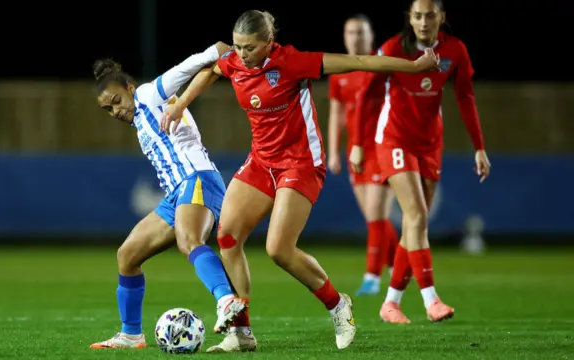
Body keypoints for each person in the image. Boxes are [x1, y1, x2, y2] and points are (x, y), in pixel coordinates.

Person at [162, 10, 440, 352]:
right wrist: (180, 105)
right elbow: (211, 70)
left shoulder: (292, 62)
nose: (241, 54)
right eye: (237, 46)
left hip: (301, 162)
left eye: (249, 47)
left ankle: (338, 306)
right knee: (228, 237)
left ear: (268, 43)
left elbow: (359, 60)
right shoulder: (234, 61)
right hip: (261, 161)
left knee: (278, 249)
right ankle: (242, 333)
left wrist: (413, 67)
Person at [88, 42, 249, 349]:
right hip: (177, 193)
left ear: (130, 88)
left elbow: (196, 61)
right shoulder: (139, 122)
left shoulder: (150, 94)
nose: (114, 111)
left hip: (198, 178)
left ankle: (226, 301)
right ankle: (131, 334)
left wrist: (226, 52)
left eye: (116, 101)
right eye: (107, 109)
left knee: (188, 241)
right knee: (127, 256)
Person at [350, 0, 491, 324]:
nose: (424, 21)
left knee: (415, 225)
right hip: (394, 138)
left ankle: (390, 304)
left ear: (441, 17)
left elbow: (465, 96)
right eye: (417, 16)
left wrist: (479, 148)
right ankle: (431, 300)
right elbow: (367, 94)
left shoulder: (455, 50)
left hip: (430, 142)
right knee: (416, 215)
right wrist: (357, 143)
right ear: (409, 20)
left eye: (430, 15)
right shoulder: (393, 48)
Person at [327, 14, 400, 297]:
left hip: (383, 147)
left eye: (360, 32)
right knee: (374, 217)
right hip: (354, 152)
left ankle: (372, 277)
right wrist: (333, 151)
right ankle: (398, 268)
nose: (355, 37)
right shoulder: (340, 71)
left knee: (376, 217)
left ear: (371, 36)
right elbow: (337, 114)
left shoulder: (381, 66)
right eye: (350, 32)